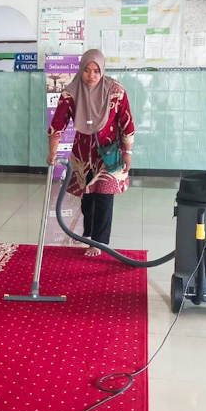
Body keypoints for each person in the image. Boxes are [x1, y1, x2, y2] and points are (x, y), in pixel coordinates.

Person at [47, 49, 135, 256]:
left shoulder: (116, 91)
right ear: (81, 70)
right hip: (82, 154)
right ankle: (88, 232)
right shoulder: (70, 92)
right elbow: (57, 124)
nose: (91, 75)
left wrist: (128, 152)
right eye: (87, 70)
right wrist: (52, 153)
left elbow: (127, 122)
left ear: (102, 70)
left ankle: (99, 242)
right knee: (87, 197)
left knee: (104, 194)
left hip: (109, 152)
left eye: (96, 71)